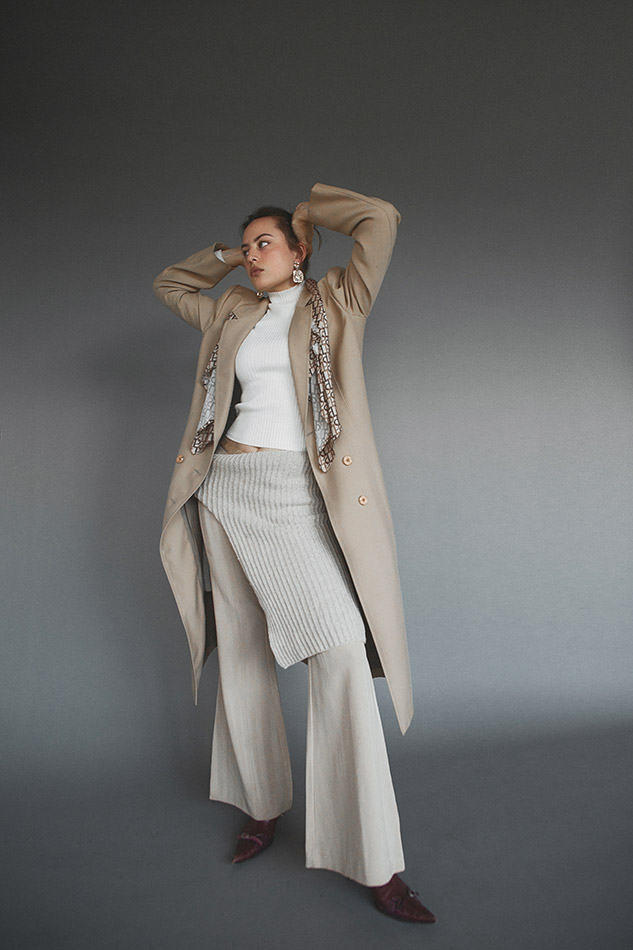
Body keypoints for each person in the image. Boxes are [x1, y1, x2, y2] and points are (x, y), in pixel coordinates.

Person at [152, 183, 436, 923]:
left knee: (339, 652)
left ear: (300, 250)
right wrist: (226, 253)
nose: (251, 256)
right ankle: (260, 806)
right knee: (243, 656)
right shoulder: (231, 308)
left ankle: (376, 862)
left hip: (293, 495)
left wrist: (306, 214)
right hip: (223, 490)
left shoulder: (338, 299)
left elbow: (379, 219)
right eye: (245, 247)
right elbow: (170, 283)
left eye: (264, 244)